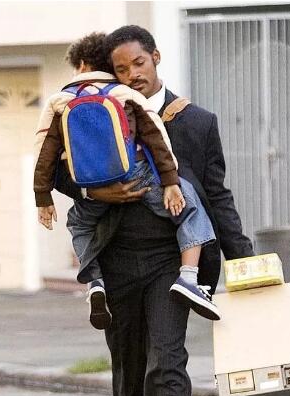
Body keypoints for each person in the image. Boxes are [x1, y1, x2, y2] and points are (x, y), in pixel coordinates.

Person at [54, 25, 254, 396]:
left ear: (155, 57)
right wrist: (93, 190)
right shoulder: (98, 114)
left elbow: (217, 197)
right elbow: (60, 172)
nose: (133, 75)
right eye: (122, 69)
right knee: (129, 368)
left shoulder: (196, 121)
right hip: (116, 260)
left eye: (140, 63)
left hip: (170, 263)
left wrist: (246, 262)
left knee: (166, 362)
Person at [33, 32, 220, 331]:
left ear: (81, 65)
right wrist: (170, 181)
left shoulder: (60, 100)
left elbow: (44, 151)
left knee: (79, 225)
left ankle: (94, 281)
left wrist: (42, 196)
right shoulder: (123, 94)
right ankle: (188, 277)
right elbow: (155, 135)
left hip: (91, 184)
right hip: (138, 177)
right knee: (190, 208)